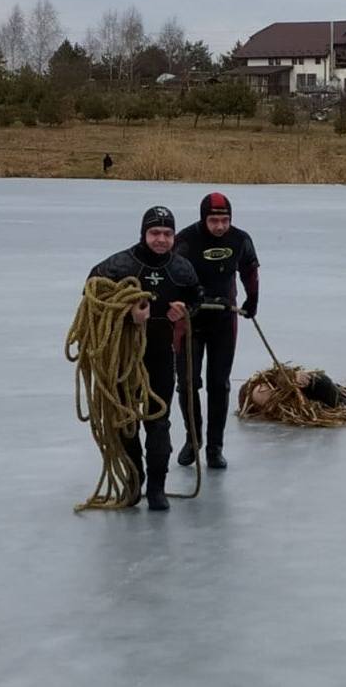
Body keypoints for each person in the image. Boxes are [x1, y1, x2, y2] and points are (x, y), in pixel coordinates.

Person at [88, 206, 201, 511]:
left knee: (158, 421)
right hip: (125, 359)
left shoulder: (181, 269)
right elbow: (91, 293)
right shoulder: (119, 264)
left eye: (167, 234)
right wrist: (126, 314)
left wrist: (185, 311)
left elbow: (196, 297)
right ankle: (133, 482)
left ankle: (157, 488)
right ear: (143, 234)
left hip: (161, 356)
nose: (161, 239)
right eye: (155, 233)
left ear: (174, 236)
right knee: (126, 422)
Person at [172, 192, 260, 469]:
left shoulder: (240, 239)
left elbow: (250, 271)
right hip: (190, 322)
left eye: (225, 220)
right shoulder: (185, 240)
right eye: (214, 220)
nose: (220, 226)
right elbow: (171, 274)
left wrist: (252, 299)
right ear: (203, 219)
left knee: (219, 385)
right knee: (187, 383)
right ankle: (193, 438)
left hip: (224, 320)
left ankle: (214, 447)